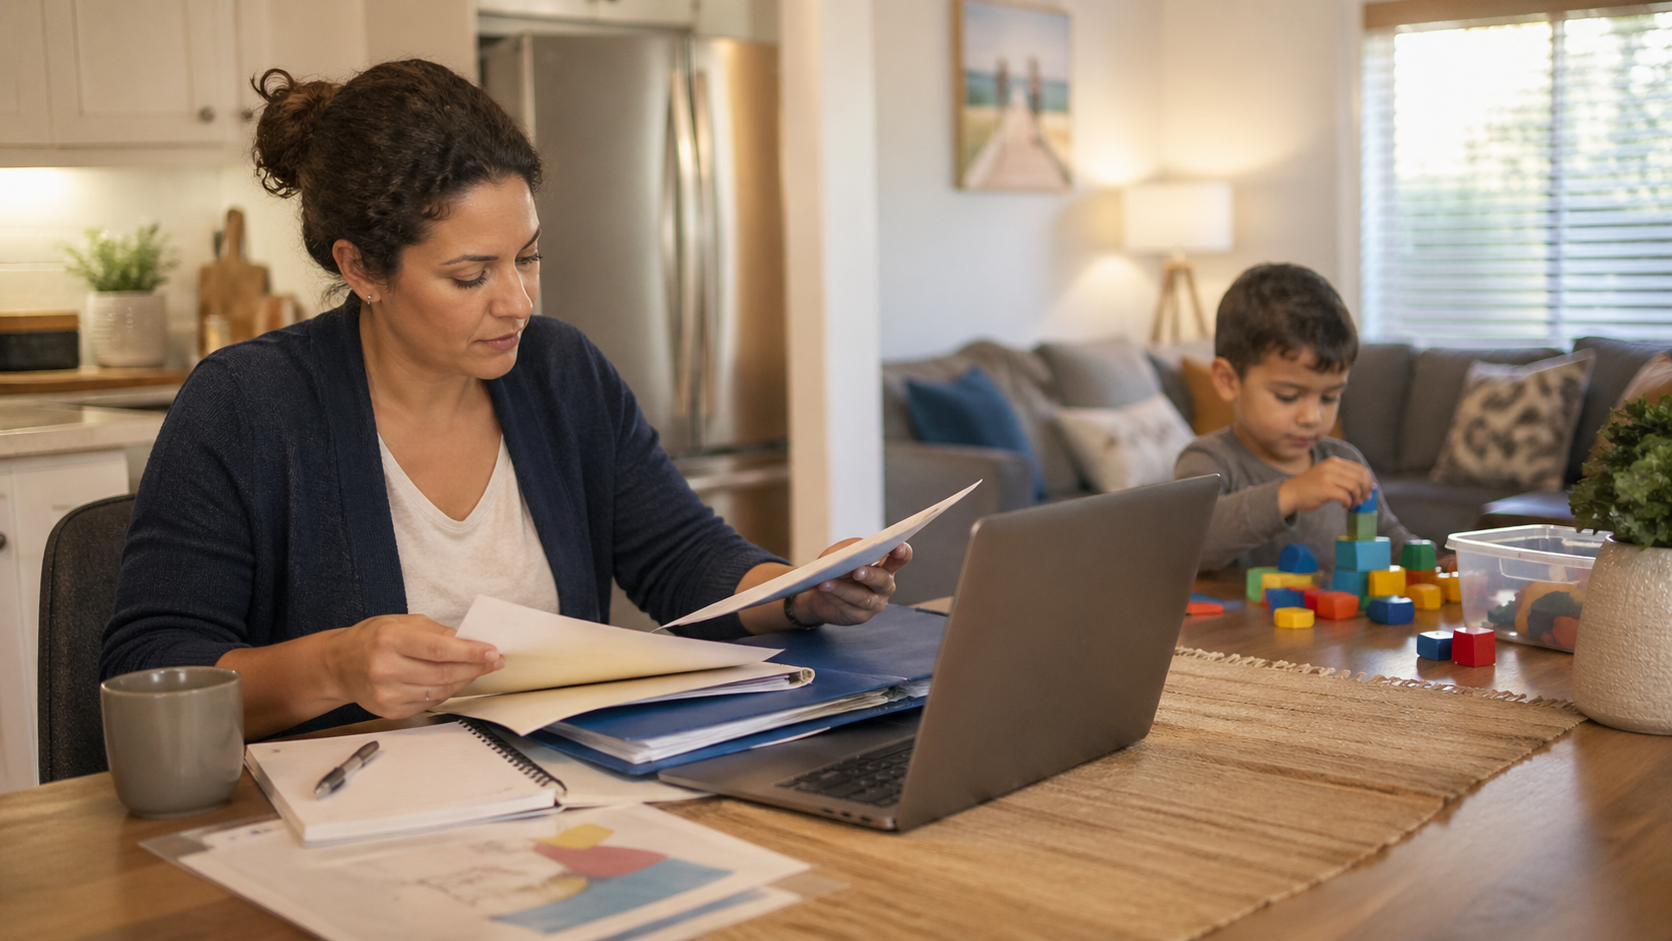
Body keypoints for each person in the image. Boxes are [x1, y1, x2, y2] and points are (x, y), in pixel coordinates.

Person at [100, 60, 909, 741]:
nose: (517, 301)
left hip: (556, 800)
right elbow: (148, 667)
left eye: (527, 258)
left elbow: (682, 560)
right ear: (362, 269)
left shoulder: (562, 371)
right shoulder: (246, 404)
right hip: (336, 827)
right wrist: (336, 665)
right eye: (470, 275)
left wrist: (797, 592)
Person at [1173, 263, 1418, 572]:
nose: (1311, 417)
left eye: (1329, 397)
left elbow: (1392, 541)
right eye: (1288, 396)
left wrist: (1439, 561)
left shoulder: (1344, 460)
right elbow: (1188, 546)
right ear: (1227, 380)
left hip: (1340, 621)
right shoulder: (1208, 461)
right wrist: (1290, 493)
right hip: (1240, 622)